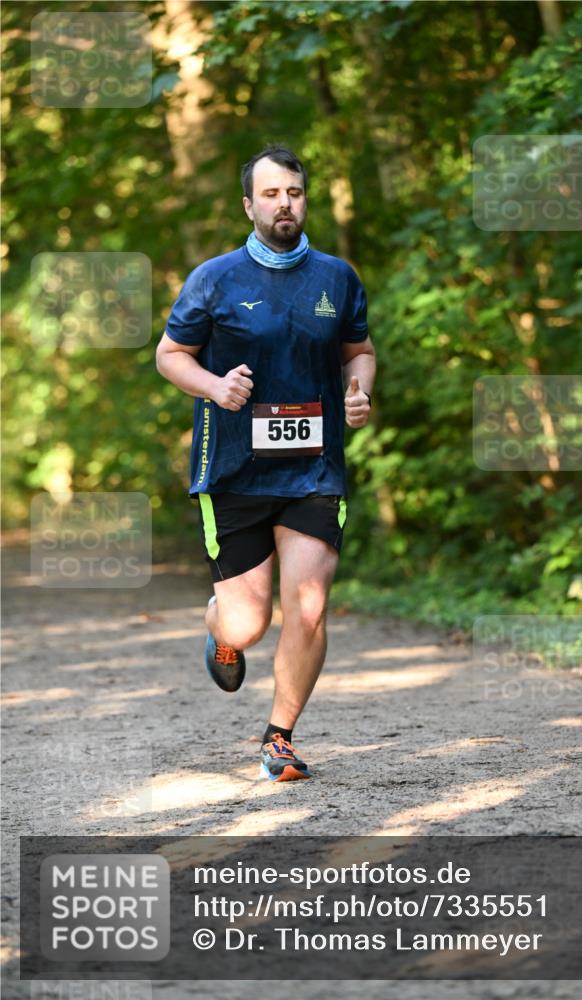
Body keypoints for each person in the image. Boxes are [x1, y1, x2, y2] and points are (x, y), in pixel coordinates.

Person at [156, 145, 375, 782]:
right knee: (248, 624)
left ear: (306, 199)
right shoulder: (215, 278)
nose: (286, 204)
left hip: (313, 470)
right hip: (233, 471)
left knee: (307, 606)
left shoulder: (337, 277)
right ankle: (219, 627)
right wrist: (213, 387)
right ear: (249, 204)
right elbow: (171, 354)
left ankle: (279, 735)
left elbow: (358, 352)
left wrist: (358, 392)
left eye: (296, 194)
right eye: (273, 194)